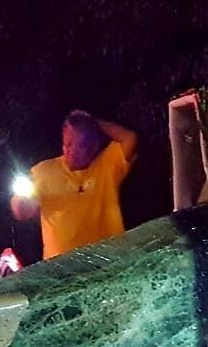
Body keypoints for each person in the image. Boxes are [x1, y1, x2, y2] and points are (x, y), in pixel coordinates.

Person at [10, 110, 137, 259]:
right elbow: (22, 212)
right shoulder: (43, 171)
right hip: (61, 269)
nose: (72, 151)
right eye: (68, 144)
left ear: (93, 146)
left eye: (80, 146)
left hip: (108, 260)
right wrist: (20, 201)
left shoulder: (107, 165)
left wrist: (92, 121)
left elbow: (130, 137)